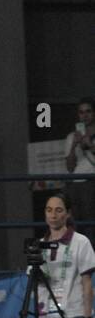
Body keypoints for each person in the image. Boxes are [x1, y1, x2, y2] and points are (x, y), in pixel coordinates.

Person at [32, 193, 94, 318]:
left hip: (74, 316)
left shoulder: (81, 242)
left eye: (58, 210)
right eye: (49, 210)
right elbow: (33, 283)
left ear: (68, 213)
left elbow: (87, 284)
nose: (53, 215)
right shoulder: (37, 245)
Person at [63, 98, 95, 228]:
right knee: (78, 225)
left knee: (91, 224)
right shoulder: (71, 137)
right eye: (81, 112)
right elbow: (70, 168)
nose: (85, 115)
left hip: (91, 182)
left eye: (88, 111)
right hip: (75, 184)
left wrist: (89, 145)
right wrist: (74, 145)